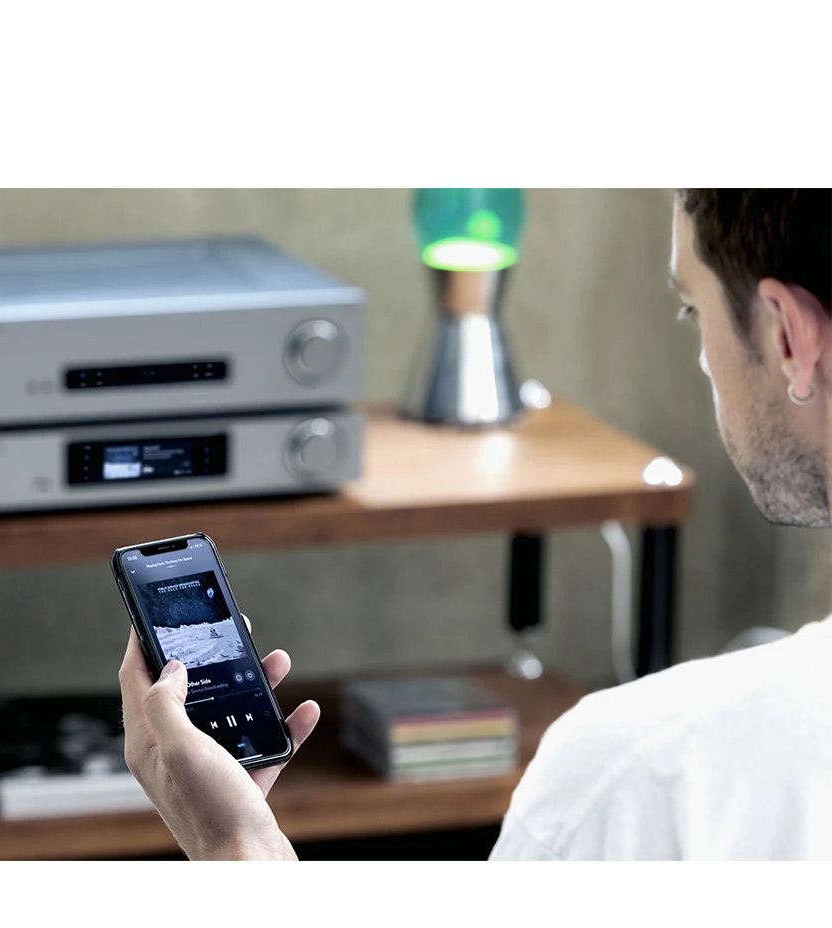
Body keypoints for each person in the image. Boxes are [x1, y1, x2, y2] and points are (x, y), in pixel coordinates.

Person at [119, 189, 831, 861]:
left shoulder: (625, 783)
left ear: (788, 337)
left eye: (692, 310)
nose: (704, 358)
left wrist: (234, 842)